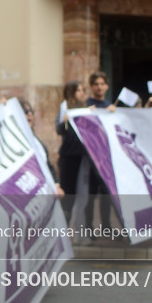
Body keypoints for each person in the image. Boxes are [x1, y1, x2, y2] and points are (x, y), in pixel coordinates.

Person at [55, 81, 92, 244]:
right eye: (79, 90)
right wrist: (64, 121)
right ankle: (63, 235)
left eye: (83, 90)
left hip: (83, 158)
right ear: (71, 92)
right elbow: (59, 129)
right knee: (68, 197)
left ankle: (80, 234)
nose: (82, 93)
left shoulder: (86, 108)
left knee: (82, 196)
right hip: (69, 158)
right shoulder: (65, 107)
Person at [84, 71, 114, 234]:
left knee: (106, 196)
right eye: (96, 84)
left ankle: (106, 226)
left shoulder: (110, 106)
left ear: (107, 86)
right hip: (91, 159)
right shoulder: (87, 105)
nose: (99, 87)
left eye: (102, 84)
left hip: (106, 159)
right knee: (89, 195)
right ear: (91, 87)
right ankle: (88, 228)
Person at [19, 98, 64, 197]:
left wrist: (56, 185)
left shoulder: (37, 142)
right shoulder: (13, 142)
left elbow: (48, 166)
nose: (29, 114)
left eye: (31, 111)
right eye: (25, 112)